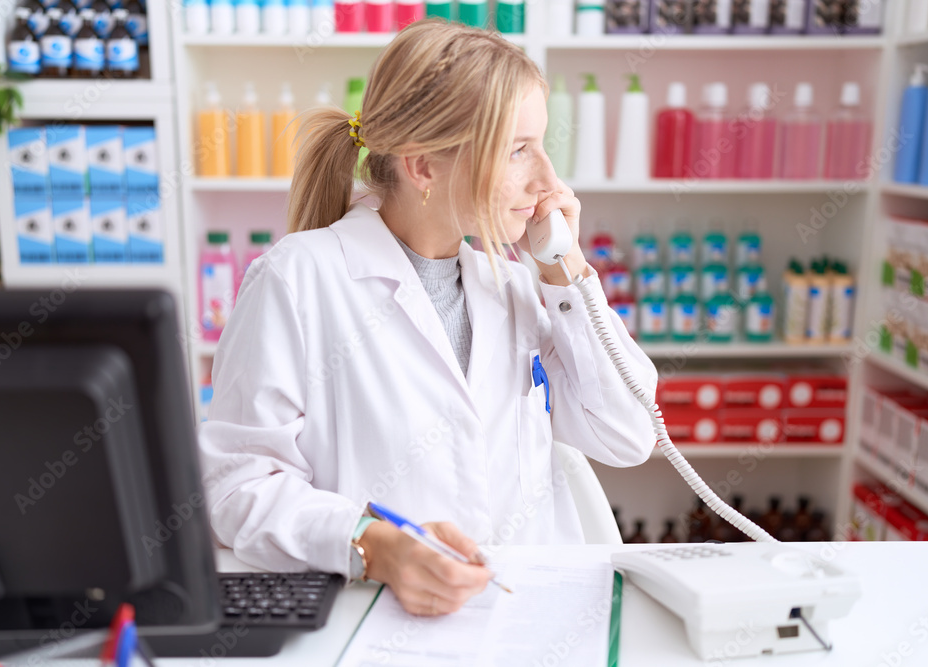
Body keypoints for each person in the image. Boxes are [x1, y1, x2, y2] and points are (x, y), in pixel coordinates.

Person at [197, 19, 657, 618]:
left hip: (533, 617)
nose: (549, 181)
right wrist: (372, 543)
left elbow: (629, 434)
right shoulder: (299, 279)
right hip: (378, 620)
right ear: (422, 167)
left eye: (542, 146)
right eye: (518, 150)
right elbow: (237, 488)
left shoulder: (516, 286)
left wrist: (564, 269)